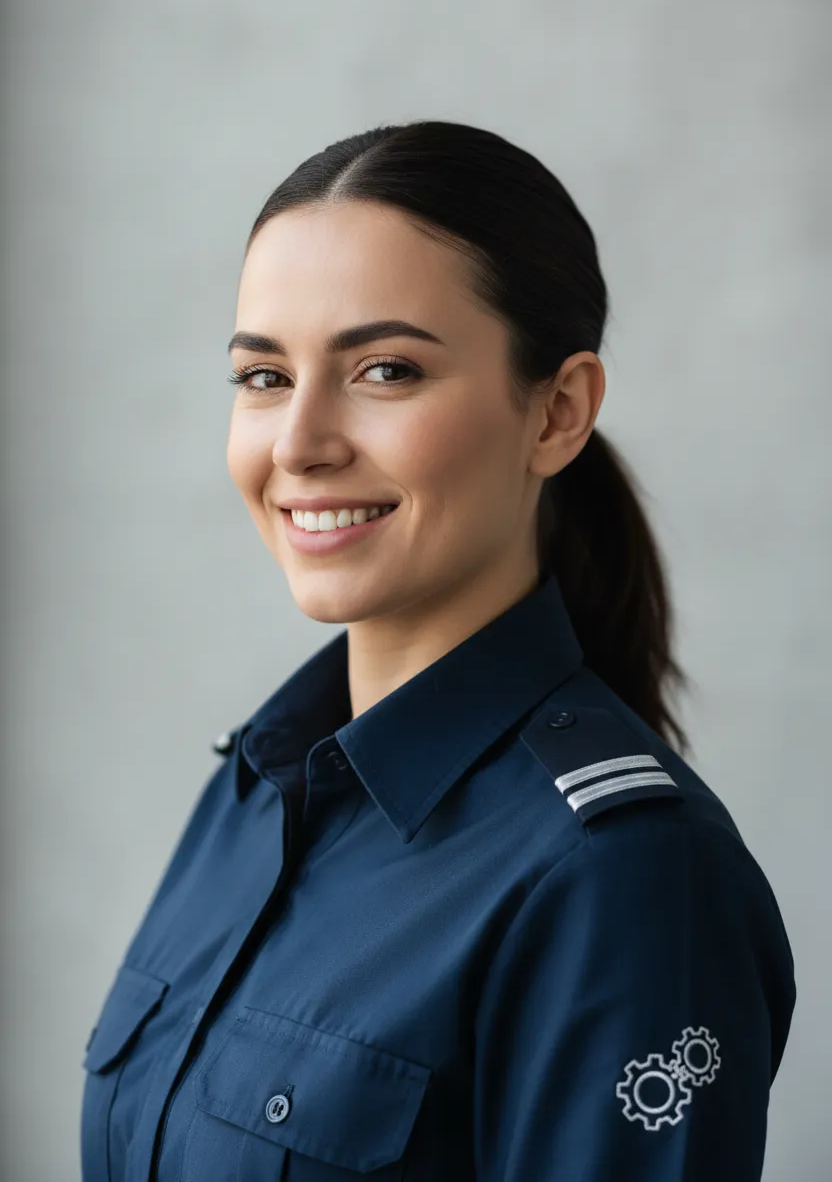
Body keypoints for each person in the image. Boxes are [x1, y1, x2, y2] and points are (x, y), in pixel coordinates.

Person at [80, 120, 796, 1181]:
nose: (300, 444)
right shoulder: (254, 787)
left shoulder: (625, 878)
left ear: (557, 413)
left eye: (383, 370)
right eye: (264, 378)